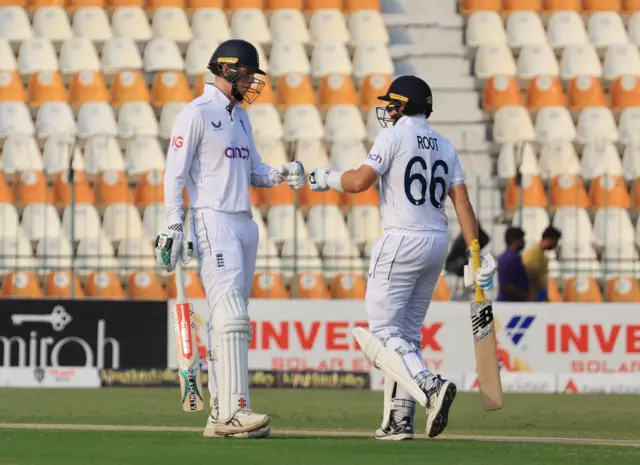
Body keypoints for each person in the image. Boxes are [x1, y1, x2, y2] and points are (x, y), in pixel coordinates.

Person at [308, 75, 496, 441]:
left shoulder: (394, 135)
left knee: (382, 333)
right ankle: (399, 420)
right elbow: (462, 202)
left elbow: (359, 182)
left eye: (392, 105)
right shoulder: (445, 145)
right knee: (406, 335)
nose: (388, 111)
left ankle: (429, 385)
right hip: (437, 243)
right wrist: (475, 253)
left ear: (404, 105)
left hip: (401, 240)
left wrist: (325, 176)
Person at [154, 39, 306, 439]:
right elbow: (174, 175)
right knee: (231, 314)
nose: (254, 80)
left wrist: (280, 174)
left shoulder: (240, 118)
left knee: (229, 321)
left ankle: (221, 413)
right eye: (249, 73)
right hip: (213, 219)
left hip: (244, 221)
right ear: (228, 70)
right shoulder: (196, 113)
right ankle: (235, 410)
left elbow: (254, 170)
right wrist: (173, 226)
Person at [523, 226, 561, 302]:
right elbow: (532, 275)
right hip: (534, 297)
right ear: (550, 239)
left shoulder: (541, 254)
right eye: (555, 241)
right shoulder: (534, 252)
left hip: (539, 296)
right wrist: (541, 292)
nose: (556, 245)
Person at [496, 227, 530, 302]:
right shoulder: (510, 259)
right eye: (522, 239)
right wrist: (525, 296)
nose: (524, 242)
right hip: (510, 303)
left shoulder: (512, 257)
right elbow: (506, 285)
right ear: (516, 241)